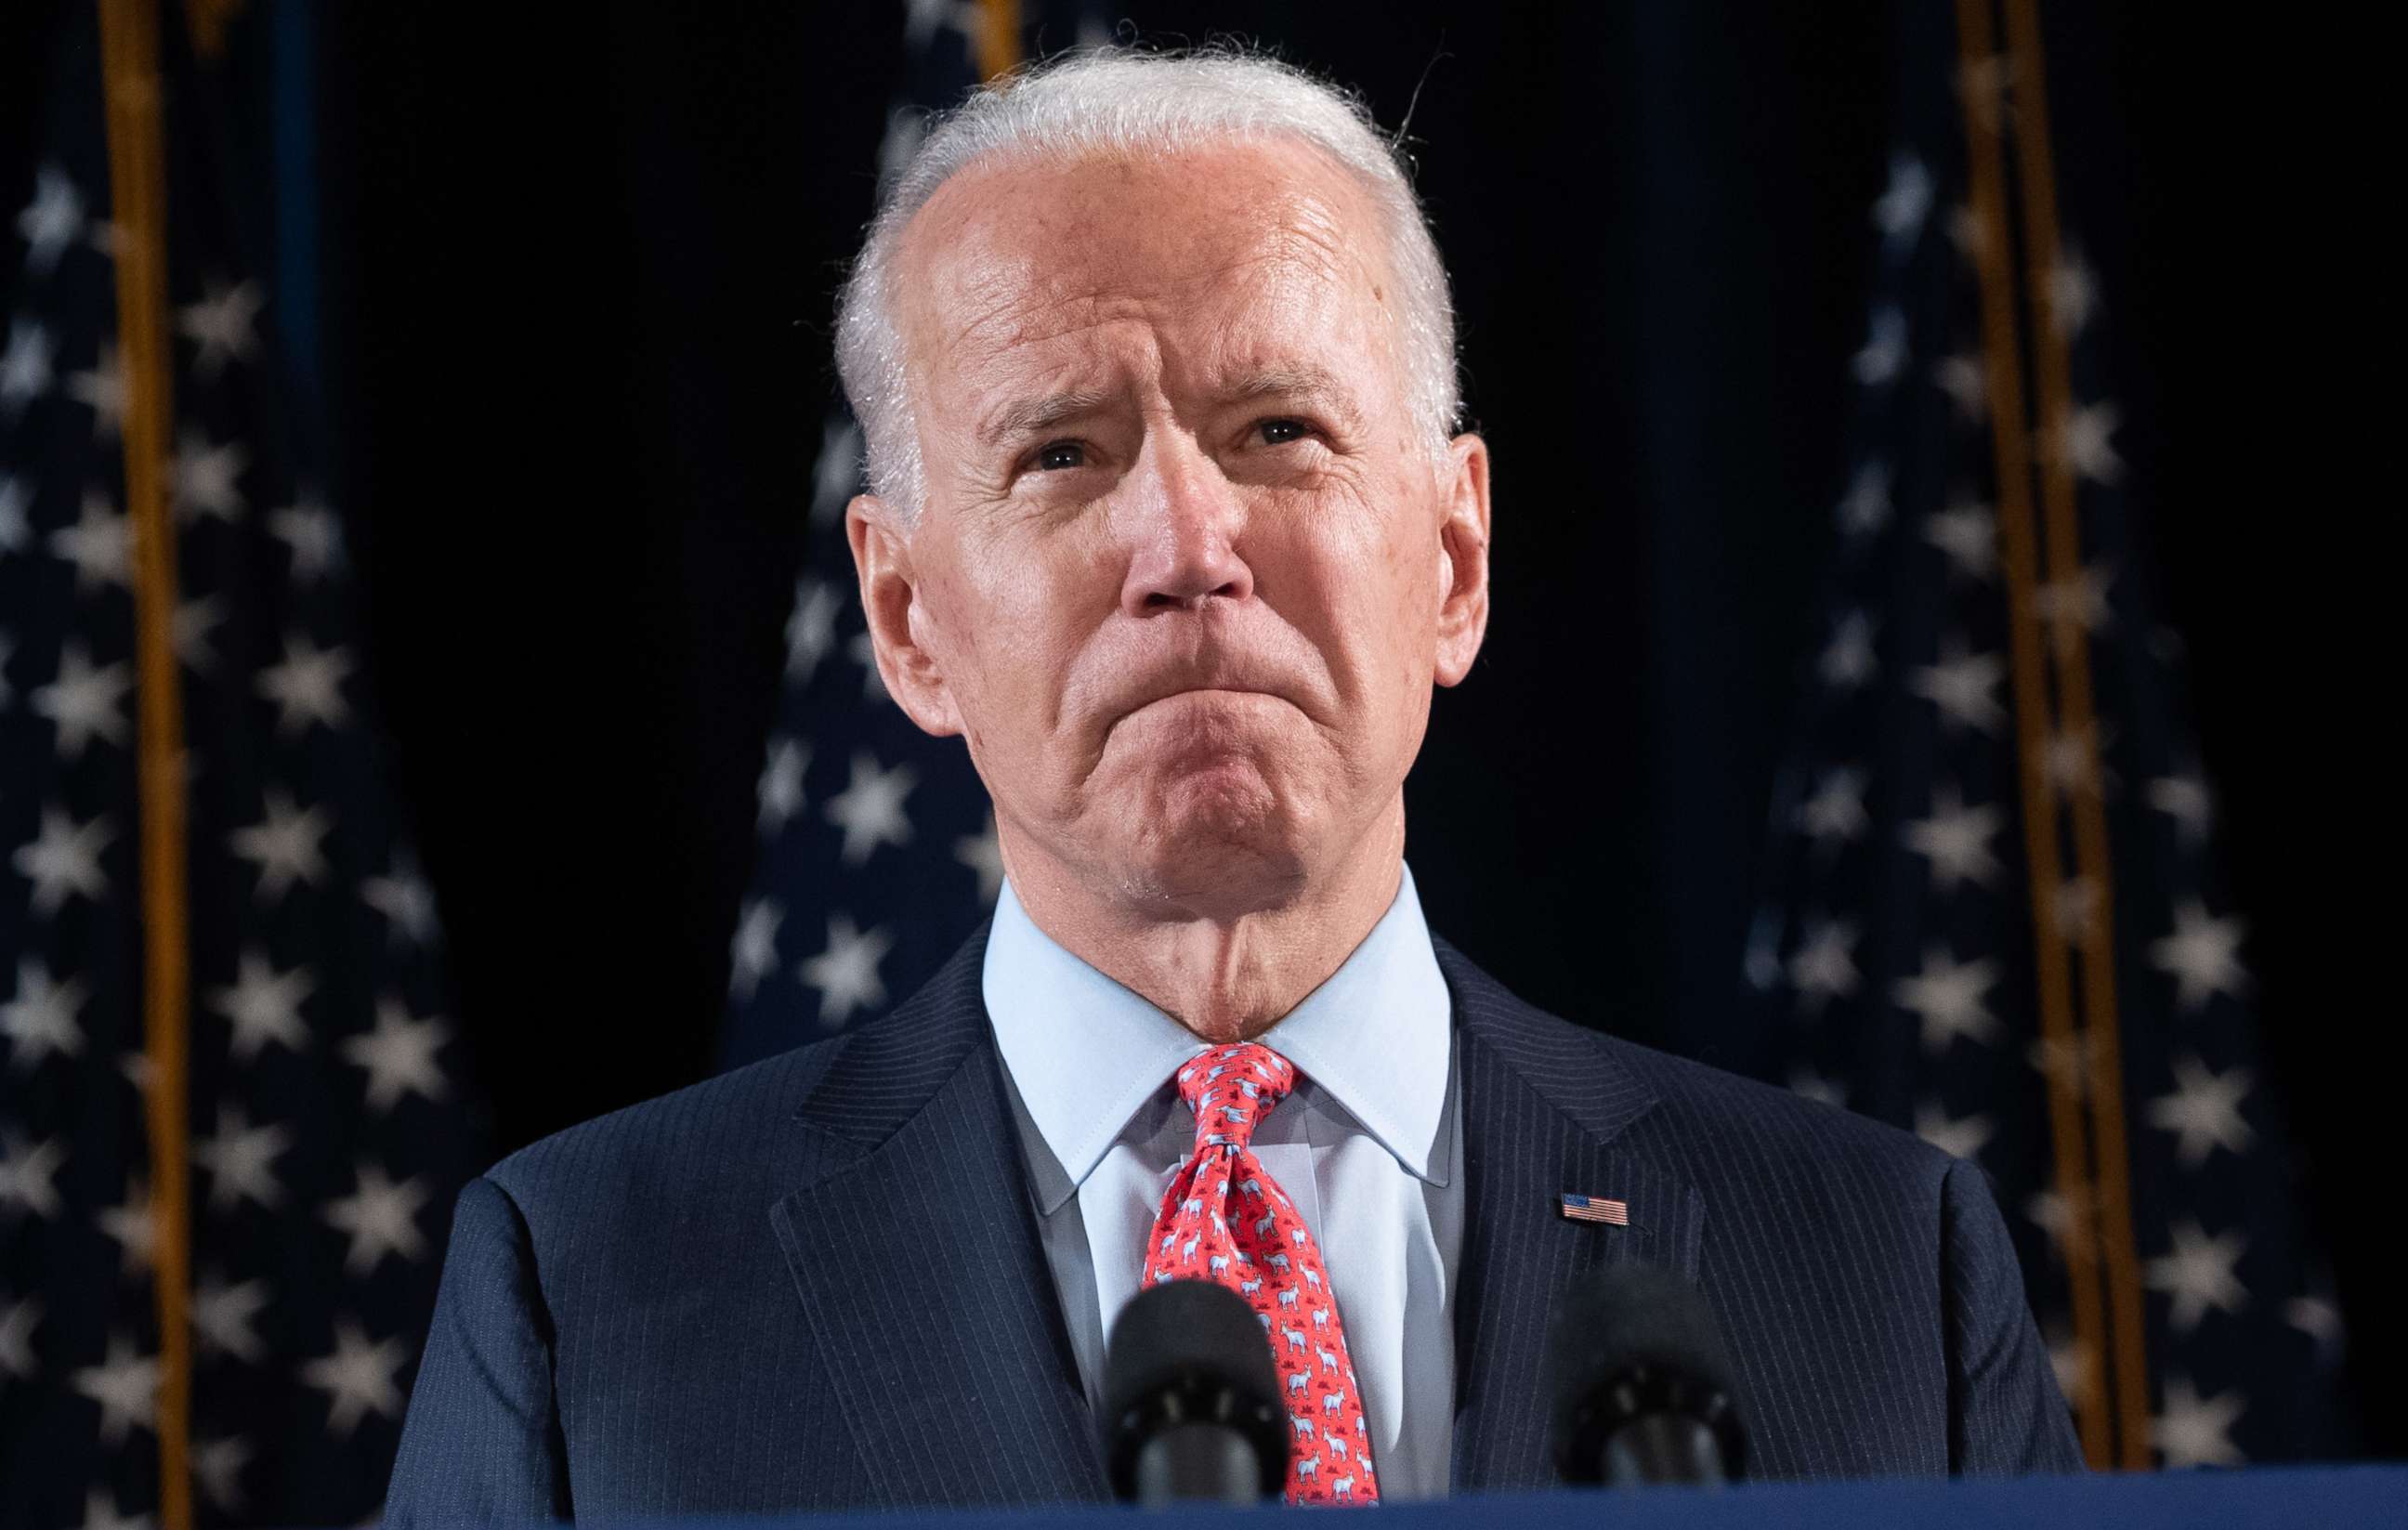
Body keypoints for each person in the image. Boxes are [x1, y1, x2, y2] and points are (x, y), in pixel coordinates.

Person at [384, 46, 2077, 1522]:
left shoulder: (1877, 1271)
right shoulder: (592, 1297)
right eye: (1061, 452)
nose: (1190, 547)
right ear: (906, 624)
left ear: (1457, 559)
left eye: (1281, 430)